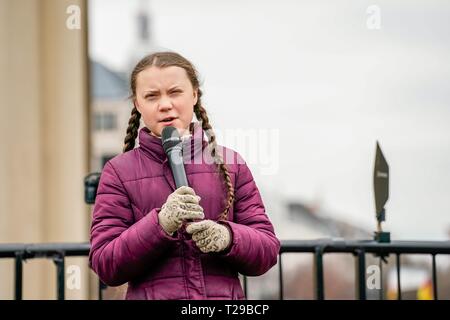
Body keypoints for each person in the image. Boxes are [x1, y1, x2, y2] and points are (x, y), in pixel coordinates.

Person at [88, 51, 280, 300]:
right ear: (137, 104)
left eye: (175, 92)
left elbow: (267, 251)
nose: (165, 104)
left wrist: (228, 237)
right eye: (151, 96)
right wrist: (160, 223)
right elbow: (105, 264)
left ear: (195, 95)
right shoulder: (118, 171)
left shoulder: (232, 165)